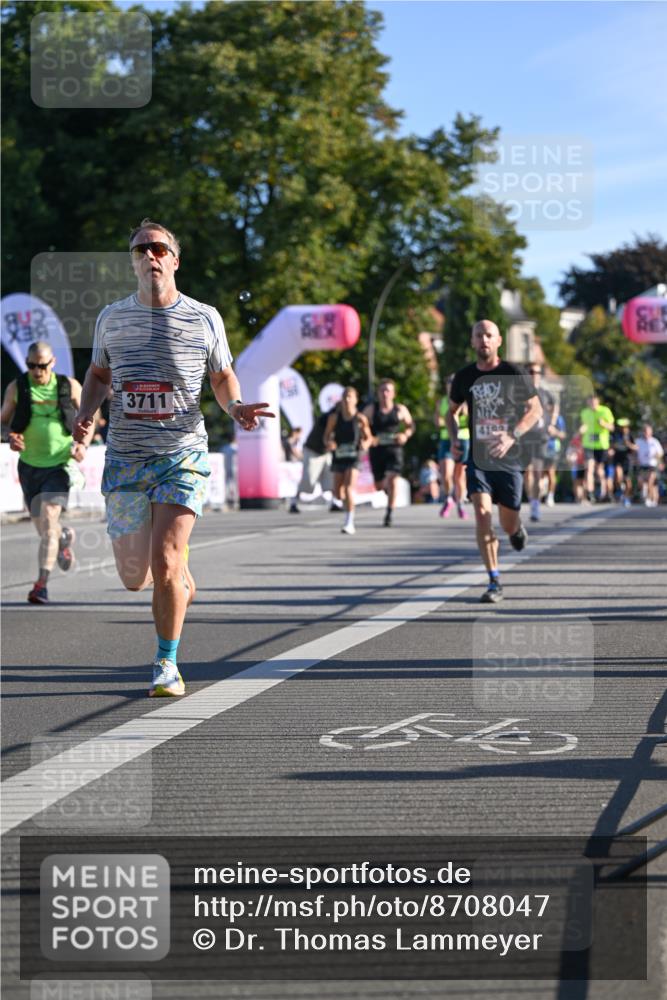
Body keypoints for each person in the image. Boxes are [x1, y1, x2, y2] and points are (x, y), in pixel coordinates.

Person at [73, 219, 274, 698]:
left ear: (175, 259)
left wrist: (236, 406)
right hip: (125, 457)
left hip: (182, 454)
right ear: (133, 262)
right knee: (132, 576)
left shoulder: (203, 318)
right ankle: (178, 579)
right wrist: (86, 412)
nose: (151, 256)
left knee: (164, 562)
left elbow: (222, 376)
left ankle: (166, 663)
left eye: (160, 248)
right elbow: (99, 374)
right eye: (141, 249)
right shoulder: (111, 318)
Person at [447, 319, 542, 603]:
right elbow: (451, 412)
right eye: (479, 335)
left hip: (510, 459)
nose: (484, 340)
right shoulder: (463, 378)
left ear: (498, 341)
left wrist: (512, 435)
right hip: (479, 459)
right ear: (472, 341)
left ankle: (516, 529)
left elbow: (535, 409)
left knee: (508, 522)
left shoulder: (513, 372)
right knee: (482, 516)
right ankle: (494, 580)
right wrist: (455, 439)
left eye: (489, 335)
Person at [0, 341, 93, 604]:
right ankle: (64, 539)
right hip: (29, 466)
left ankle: (41, 584)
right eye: (32, 366)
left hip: (59, 466)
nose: (37, 371)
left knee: (49, 524)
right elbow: (3, 422)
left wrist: (83, 444)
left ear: (52, 362)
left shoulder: (68, 385)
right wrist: (9, 437)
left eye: (41, 366)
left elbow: (89, 413)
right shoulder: (17, 386)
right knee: (44, 529)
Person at [363, 378, 414, 527]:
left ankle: (389, 513)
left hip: (394, 449)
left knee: (393, 479)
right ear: (378, 393)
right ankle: (386, 489)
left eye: (388, 391)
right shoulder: (372, 409)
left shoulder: (400, 409)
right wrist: (368, 437)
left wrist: (405, 435)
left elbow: (410, 426)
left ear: (393, 394)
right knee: (379, 485)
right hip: (377, 450)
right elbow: (360, 424)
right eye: (382, 391)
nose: (385, 394)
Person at [324, 387, 372, 535]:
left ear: (356, 400)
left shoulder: (360, 418)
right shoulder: (334, 418)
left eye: (350, 396)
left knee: (350, 487)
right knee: (338, 492)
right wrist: (329, 443)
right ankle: (346, 506)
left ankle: (349, 522)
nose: (347, 399)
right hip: (339, 456)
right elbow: (326, 436)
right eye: (345, 396)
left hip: (353, 456)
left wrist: (365, 443)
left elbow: (369, 437)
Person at [521, 364, 558, 522]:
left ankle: (535, 505)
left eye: (537, 372)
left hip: (540, 437)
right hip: (524, 436)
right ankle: (531, 499)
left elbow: (555, 405)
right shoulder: (520, 392)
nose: (534, 374)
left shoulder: (545, 393)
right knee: (526, 472)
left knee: (537, 472)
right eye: (531, 372)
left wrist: (552, 423)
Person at [289, 407, 341, 513]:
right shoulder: (326, 418)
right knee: (308, 480)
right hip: (313, 451)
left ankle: (334, 502)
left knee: (330, 478)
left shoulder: (341, 419)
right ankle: (293, 502)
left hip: (326, 452)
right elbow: (327, 435)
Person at [435, 375, 469, 519]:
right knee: (446, 473)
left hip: (463, 439)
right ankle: (449, 498)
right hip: (445, 440)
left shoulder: (465, 401)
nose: (451, 385)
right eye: (449, 383)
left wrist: (452, 418)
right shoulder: (441, 402)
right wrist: (447, 422)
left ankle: (460, 503)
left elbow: (465, 418)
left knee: (459, 476)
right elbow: (438, 421)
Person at [579, 393, 614, 502]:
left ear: (598, 402)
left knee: (599, 470)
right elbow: (583, 425)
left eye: (594, 402)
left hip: (602, 445)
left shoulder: (605, 411)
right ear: (588, 403)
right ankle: (590, 493)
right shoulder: (584, 412)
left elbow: (612, 427)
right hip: (588, 444)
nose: (592, 405)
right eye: (590, 402)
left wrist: (604, 424)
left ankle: (603, 491)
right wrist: (582, 429)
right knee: (589, 468)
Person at [609, 418, 636, 505]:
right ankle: (620, 490)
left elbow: (635, 448)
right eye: (621, 427)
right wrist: (612, 449)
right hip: (617, 458)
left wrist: (628, 444)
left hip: (627, 459)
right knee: (618, 476)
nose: (623, 429)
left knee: (627, 480)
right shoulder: (616, 435)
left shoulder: (630, 436)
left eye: (624, 427)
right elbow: (612, 445)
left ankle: (626, 496)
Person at [636, 423, 664, 507]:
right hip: (643, 465)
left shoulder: (654, 441)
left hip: (652, 465)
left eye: (648, 431)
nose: (646, 433)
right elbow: (635, 449)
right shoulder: (639, 441)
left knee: (650, 481)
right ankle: (647, 494)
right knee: (641, 481)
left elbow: (660, 453)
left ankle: (650, 498)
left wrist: (658, 460)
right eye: (645, 431)